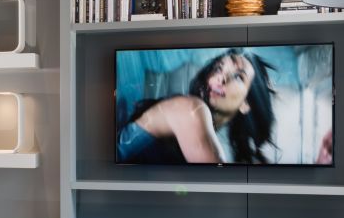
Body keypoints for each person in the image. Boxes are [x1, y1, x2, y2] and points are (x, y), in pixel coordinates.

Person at [117, 49, 280, 164]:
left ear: (246, 104)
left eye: (238, 76)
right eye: (219, 67)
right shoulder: (191, 109)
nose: (221, 77)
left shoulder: (213, 135)